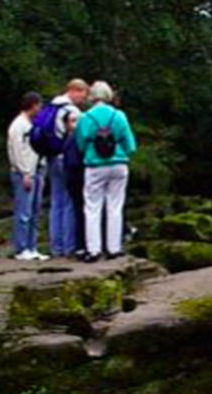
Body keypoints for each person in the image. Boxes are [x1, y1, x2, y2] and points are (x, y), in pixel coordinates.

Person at [76, 81, 137, 262]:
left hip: (95, 165)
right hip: (118, 164)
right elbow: (130, 144)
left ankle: (93, 249)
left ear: (92, 97)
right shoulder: (119, 116)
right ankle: (114, 247)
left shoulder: (86, 117)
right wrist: (123, 152)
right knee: (115, 206)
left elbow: (80, 143)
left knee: (92, 208)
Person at [47, 79, 89, 258]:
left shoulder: (51, 107)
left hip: (52, 157)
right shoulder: (72, 111)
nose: (83, 99)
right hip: (67, 160)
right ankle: (69, 246)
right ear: (74, 91)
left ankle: (55, 246)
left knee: (56, 202)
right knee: (70, 203)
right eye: (83, 94)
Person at [7, 91, 50, 261]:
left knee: (35, 210)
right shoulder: (18, 125)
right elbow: (16, 151)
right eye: (39, 105)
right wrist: (25, 172)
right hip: (24, 172)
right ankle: (21, 248)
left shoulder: (33, 124)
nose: (40, 109)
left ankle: (32, 246)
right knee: (24, 211)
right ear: (32, 105)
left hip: (38, 169)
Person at [62, 115, 87, 256]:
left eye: (78, 120)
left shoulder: (70, 139)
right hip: (77, 179)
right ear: (66, 125)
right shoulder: (73, 139)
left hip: (73, 179)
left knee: (80, 212)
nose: (76, 124)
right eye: (73, 121)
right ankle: (80, 245)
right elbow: (72, 163)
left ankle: (78, 245)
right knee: (80, 212)